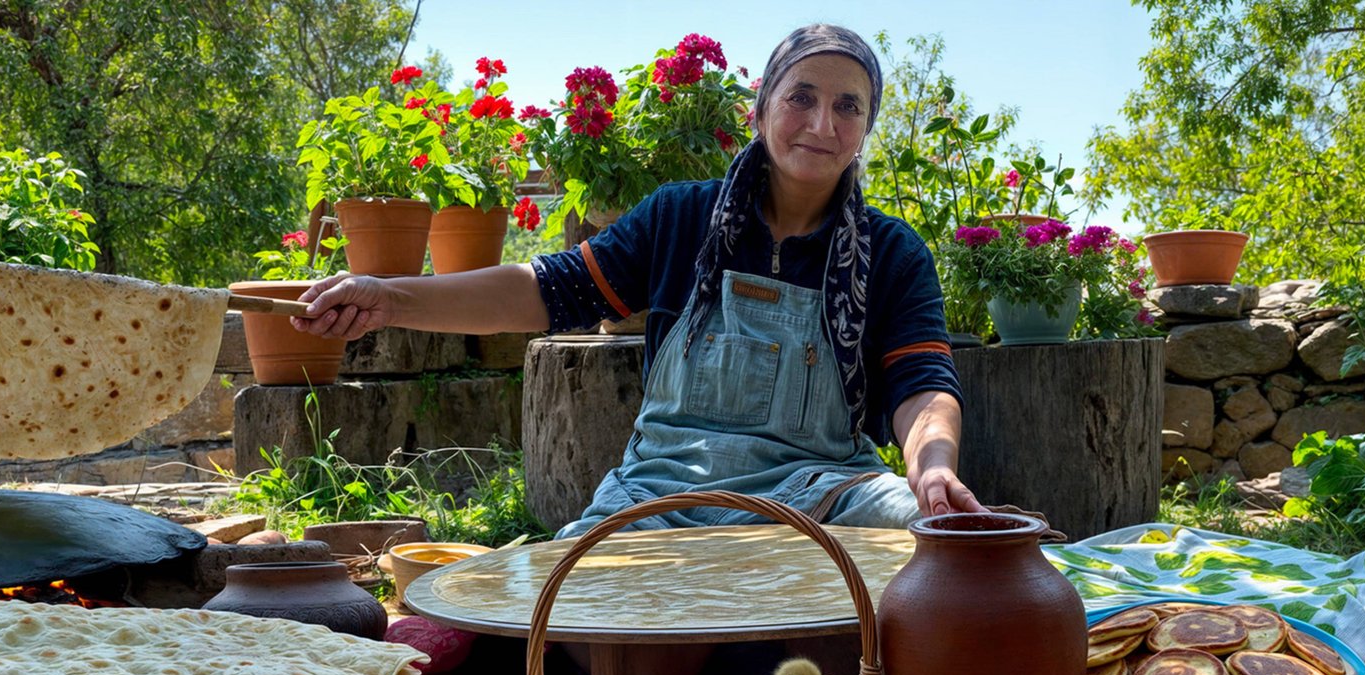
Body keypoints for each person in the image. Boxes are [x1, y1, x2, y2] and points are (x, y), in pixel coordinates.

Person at [293, 23, 983, 537]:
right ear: (762, 106)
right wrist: (389, 296)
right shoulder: (680, 218)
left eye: (848, 106)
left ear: (866, 127)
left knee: (940, 547)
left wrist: (931, 468)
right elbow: (542, 290)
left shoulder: (890, 252)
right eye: (801, 97)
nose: (821, 123)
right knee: (580, 606)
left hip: (827, 493)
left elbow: (923, 390)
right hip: (660, 497)